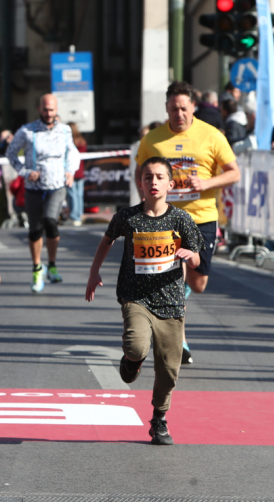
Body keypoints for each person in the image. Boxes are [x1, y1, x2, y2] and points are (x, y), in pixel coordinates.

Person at [86, 157, 203, 445]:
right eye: (148, 177)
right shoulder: (127, 217)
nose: (153, 182)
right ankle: (132, 359)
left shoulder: (181, 219)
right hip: (135, 297)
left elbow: (198, 256)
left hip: (171, 303)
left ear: (170, 185)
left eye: (160, 177)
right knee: (137, 344)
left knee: (169, 369)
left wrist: (191, 256)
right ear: (139, 183)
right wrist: (94, 272)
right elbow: (107, 241)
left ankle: (159, 418)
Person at [136, 80, 240, 365]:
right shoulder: (153, 139)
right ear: (166, 108)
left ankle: (172, 313)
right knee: (175, 273)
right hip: (166, 218)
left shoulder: (212, 135)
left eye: (183, 108)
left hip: (202, 216)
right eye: (173, 109)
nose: (179, 114)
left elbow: (233, 173)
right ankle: (176, 335)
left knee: (199, 281)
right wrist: (147, 205)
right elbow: (140, 172)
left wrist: (206, 182)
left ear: (193, 107)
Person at [6, 93, 80, 293]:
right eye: (45, 109)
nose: (48, 113)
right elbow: (11, 153)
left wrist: (71, 172)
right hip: (34, 187)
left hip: (57, 184)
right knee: (35, 229)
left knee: (50, 220)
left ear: (56, 110)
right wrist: (25, 172)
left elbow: (72, 152)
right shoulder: (27, 131)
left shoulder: (65, 131)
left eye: (52, 109)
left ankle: (53, 265)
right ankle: (37, 268)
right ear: (39, 109)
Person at [65, 122, 87, 226]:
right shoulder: (82, 141)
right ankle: (79, 215)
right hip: (80, 171)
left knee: (72, 195)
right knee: (78, 195)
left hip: (72, 171)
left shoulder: (69, 142)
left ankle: (74, 216)